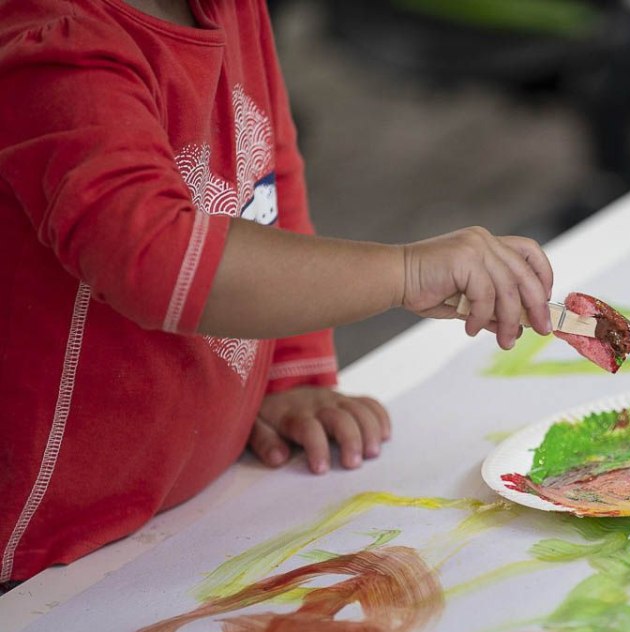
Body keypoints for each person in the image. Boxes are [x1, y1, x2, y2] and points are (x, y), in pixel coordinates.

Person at [0, 0, 555, 584]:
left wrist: (291, 371)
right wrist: (405, 273)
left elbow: (266, 174)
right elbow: (155, 259)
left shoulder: (234, 7)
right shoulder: (54, 43)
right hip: (47, 548)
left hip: (183, 528)